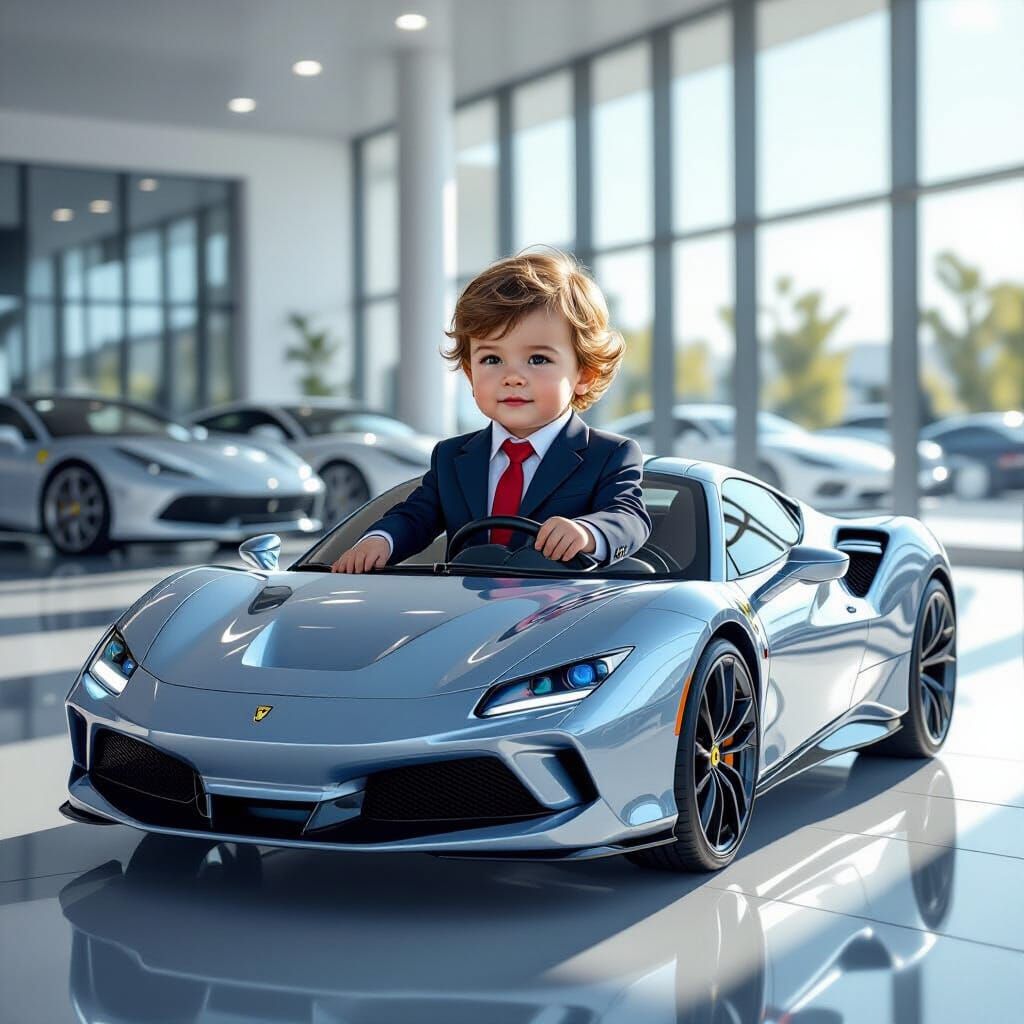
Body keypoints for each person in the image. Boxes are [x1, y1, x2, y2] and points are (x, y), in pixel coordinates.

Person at [331, 248, 651, 573]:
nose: (512, 377)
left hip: (560, 613)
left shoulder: (610, 454)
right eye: (492, 360)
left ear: (585, 374)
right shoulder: (450, 457)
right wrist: (380, 539)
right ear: (470, 374)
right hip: (468, 613)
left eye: (538, 359)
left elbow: (628, 517)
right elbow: (416, 516)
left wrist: (588, 533)